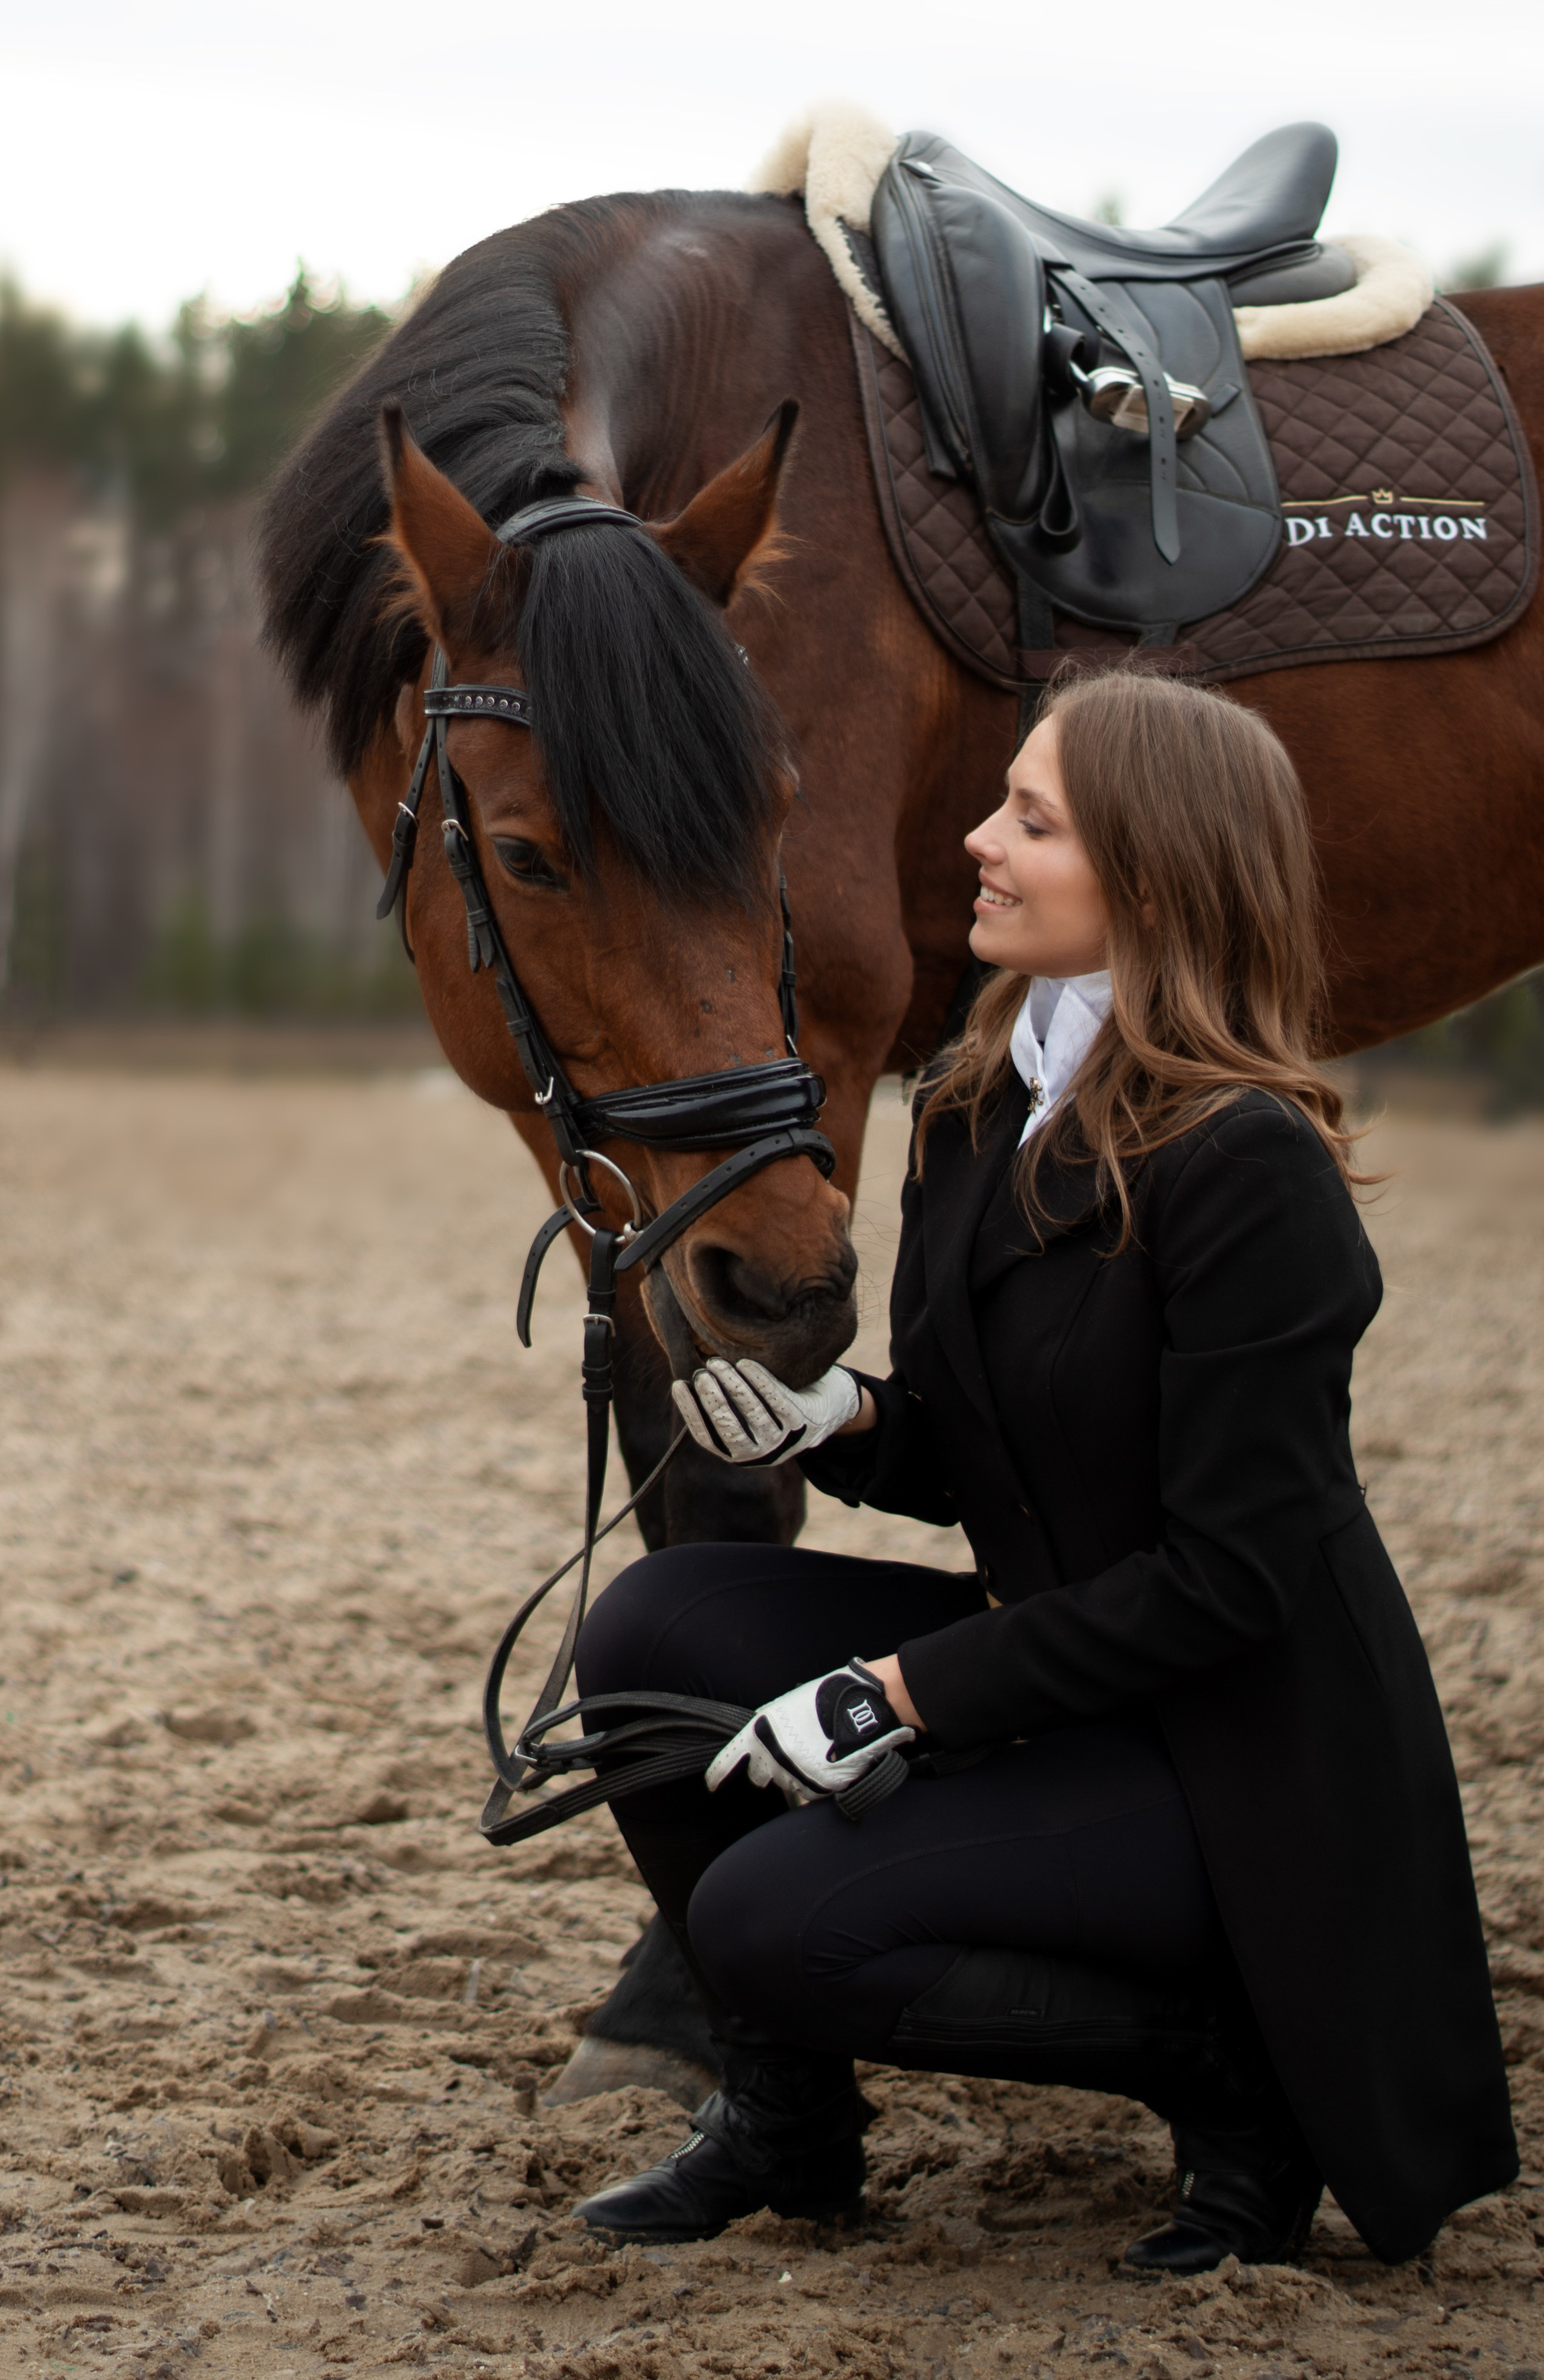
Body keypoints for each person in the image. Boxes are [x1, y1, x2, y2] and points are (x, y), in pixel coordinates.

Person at [568, 669, 1515, 2272]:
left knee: (765, 1915)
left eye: (1029, 818)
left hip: (1236, 1758)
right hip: (1072, 1681)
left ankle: (1227, 2079)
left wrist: (892, 1694)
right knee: (652, 1628)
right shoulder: (968, 1104)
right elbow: (986, 1441)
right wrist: (839, 1424)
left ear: (1151, 877)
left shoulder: (1252, 1171)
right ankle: (790, 2128)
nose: (973, 841)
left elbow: (1226, 1581)